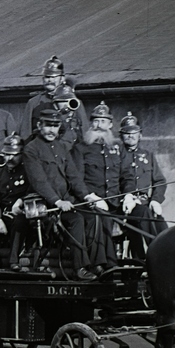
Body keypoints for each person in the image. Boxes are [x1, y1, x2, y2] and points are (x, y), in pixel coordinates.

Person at [21, 105, 103, 274]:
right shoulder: (31, 149)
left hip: (67, 202)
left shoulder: (61, 148)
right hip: (46, 206)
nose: (52, 130)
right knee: (76, 220)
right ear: (39, 126)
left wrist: (87, 196)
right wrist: (57, 201)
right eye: (48, 125)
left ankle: (98, 264)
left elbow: (73, 176)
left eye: (55, 125)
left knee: (94, 216)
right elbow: (39, 181)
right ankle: (79, 268)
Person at [76, 103, 123, 270]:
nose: (99, 125)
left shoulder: (117, 148)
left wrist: (129, 196)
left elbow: (125, 175)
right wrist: (90, 196)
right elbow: (77, 178)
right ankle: (104, 264)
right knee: (99, 220)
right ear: (91, 124)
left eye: (103, 121)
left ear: (110, 125)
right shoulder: (81, 148)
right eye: (96, 121)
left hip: (114, 201)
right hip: (90, 201)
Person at [118, 112, 167, 259]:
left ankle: (167, 255)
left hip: (145, 204)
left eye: (134, 133)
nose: (131, 136)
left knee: (160, 223)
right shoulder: (115, 155)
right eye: (127, 133)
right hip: (123, 207)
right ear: (121, 136)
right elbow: (111, 180)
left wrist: (156, 200)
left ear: (140, 135)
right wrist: (126, 196)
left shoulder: (148, 156)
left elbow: (160, 181)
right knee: (144, 216)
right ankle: (156, 257)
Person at [21, 56, 89, 154]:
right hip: (42, 153)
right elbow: (25, 133)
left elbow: (84, 130)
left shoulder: (73, 102)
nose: (49, 80)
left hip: (69, 153)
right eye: (47, 77)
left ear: (62, 78)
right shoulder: (33, 103)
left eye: (53, 77)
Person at [0, 132, 36, 268]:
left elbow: (33, 191)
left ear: (22, 155)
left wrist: (21, 201)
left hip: (21, 214)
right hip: (3, 215)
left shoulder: (28, 172)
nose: (9, 158)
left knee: (20, 222)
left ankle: (13, 261)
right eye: (6, 154)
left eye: (14, 155)